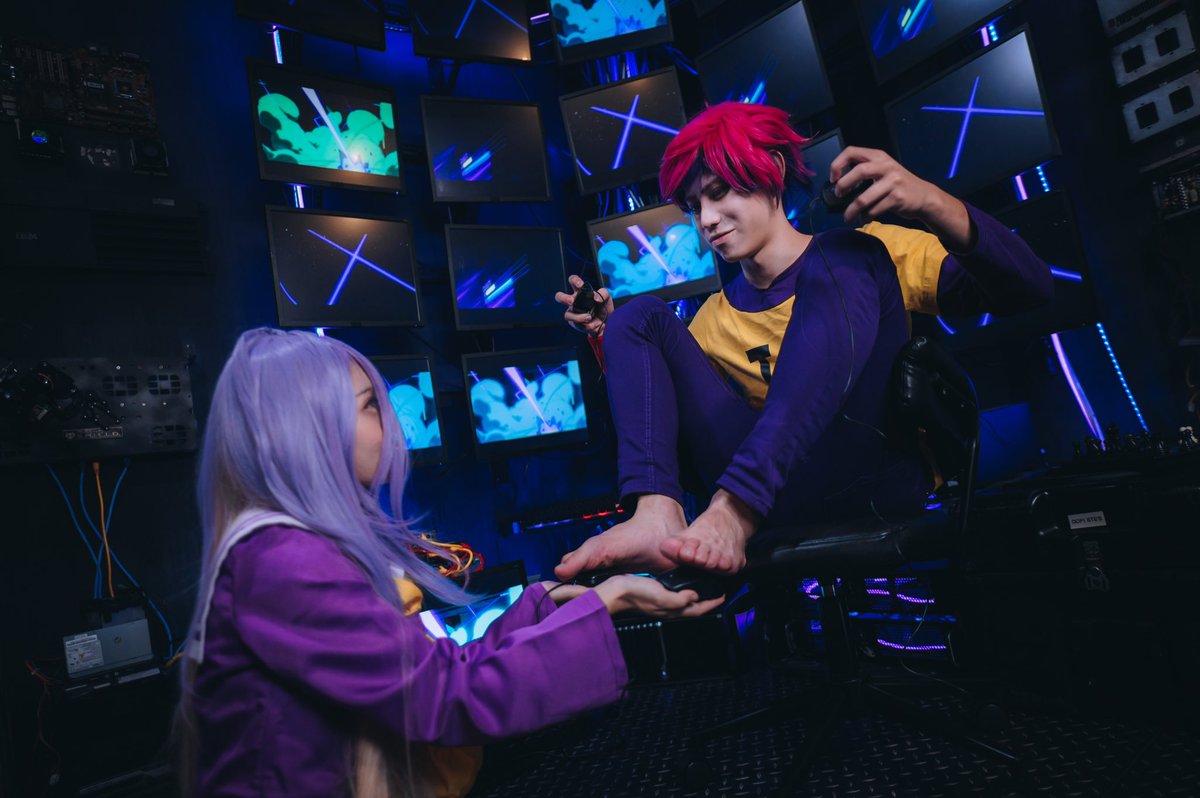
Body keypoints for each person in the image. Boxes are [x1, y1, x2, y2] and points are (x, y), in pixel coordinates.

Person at [177, 328, 723, 798]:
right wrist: (606, 601)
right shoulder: (285, 561)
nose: (390, 421)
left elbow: (427, 672)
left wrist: (546, 604)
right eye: (369, 405)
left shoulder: (283, 547)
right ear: (309, 430)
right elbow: (444, 697)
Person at [554, 102, 1051, 581]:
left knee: (847, 251)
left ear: (770, 170)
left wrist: (930, 202)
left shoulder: (868, 253)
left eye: (720, 192)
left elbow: (1030, 287)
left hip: (872, 476)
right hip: (781, 499)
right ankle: (656, 515)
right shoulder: (712, 320)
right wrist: (610, 338)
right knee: (637, 317)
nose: (706, 219)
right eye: (694, 206)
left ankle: (735, 508)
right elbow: (674, 431)